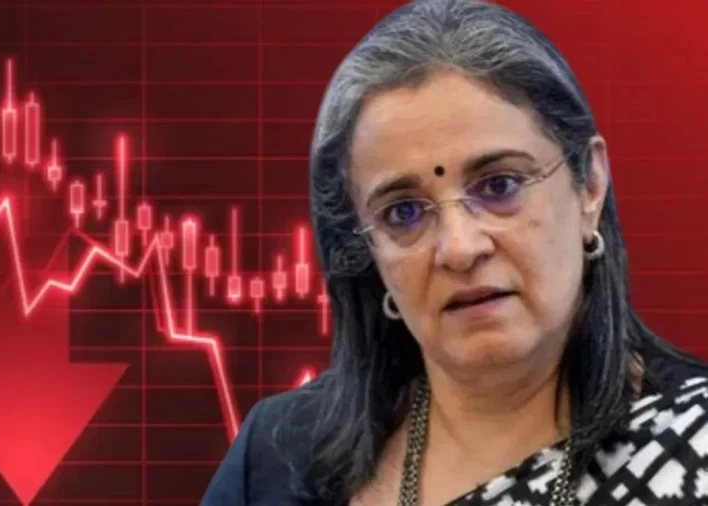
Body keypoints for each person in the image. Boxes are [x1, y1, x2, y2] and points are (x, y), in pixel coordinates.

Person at [201, 0, 708, 504]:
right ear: (369, 249)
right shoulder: (276, 459)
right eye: (403, 212)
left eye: (500, 185)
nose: (460, 248)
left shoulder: (693, 440)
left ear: (590, 185)